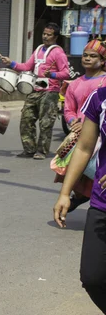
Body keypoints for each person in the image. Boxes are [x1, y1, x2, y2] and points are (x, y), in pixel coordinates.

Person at [53, 85, 106, 314]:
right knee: (92, 277)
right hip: (102, 204)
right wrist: (65, 193)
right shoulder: (100, 97)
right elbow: (84, 147)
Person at [1, 23, 69, 159]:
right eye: (44, 33)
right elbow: (27, 66)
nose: (45, 36)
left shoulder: (58, 52)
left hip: (50, 91)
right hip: (35, 89)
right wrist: (11, 64)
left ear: (55, 37)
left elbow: (66, 73)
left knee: (46, 123)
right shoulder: (38, 49)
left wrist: (53, 75)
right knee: (26, 119)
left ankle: (42, 151)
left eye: (49, 34)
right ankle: (29, 149)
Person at [55, 40, 106, 212]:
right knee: (79, 173)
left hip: (100, 135)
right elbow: (69, 110)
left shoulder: (104, 83)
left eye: (93, 56)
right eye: (85, 55)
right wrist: (72, 122)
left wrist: (86, 125)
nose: (88, 59)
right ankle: (78, 197)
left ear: (103, 60)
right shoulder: (74, 84)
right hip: (80, 136)